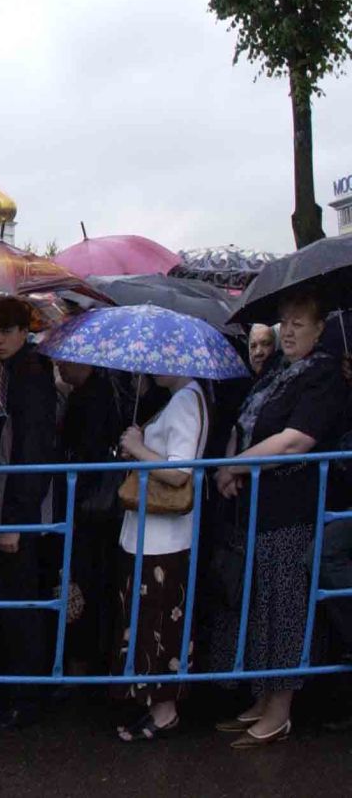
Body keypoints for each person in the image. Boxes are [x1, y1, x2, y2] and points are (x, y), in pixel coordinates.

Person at [210, 290, 349, 748]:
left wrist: (235, 466)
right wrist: (232, 464)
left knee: (285, 607)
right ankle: (261, 697)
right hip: (259, 507)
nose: (288, 331)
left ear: (319, 331)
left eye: (299, 324)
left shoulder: (324, 376)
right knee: (258, 606)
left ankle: (280, 710)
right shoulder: (277, 372)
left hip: (294, 506)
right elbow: (244, 424)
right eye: (284, 322)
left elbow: (295, 441)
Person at [111, 371, 208, 741]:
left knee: (158, 622)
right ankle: (155, 707)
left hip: (162, 537)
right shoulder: (185, 397)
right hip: (154, 534)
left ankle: (165, 711)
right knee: (151, 619)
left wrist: (138, 447)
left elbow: (179, 470)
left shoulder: (185, 400)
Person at [0, 297, 59, 731]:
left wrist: (16, 521)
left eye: (6, 331)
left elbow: (32, 451)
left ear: (23, 332)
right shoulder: (13, 372)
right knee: (11, 606)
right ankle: (15, 693)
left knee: (20, 607)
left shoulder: (30, 375)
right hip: (6, 508)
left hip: (16, 512)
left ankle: (25, 698)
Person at [55, 360, 128, 675]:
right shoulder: (96, 391)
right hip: (91, 504)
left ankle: (79, 665)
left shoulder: (92, 397)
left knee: (83, 584)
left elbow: (87, 450)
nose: (59, 363)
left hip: (88, 505)